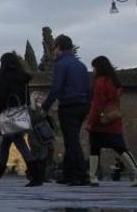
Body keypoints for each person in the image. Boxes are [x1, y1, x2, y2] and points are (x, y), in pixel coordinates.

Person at [0, 52, 42, 187]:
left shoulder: (4, 76)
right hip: (20, 114)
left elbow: (2, 94)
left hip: (9, 115)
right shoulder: (22, 77)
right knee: (5, 145)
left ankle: (37, 176)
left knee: (21, 145)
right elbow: (26, 97)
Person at [41, 35, 91, 186]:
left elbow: (56, 87)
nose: (54, 51)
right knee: (72, 139)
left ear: (58, 47)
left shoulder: (61, 64)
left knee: (72, 141)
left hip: (69, 105)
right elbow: (89, 89)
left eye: (54, 48)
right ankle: (68, 175)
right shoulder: (81, 65)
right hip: (82, 105)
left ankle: (82, 175)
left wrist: (45, 106)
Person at [86, 56, 137, 186]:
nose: (94, 70)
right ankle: (135, 172)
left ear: (99, 68)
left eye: (94, 67)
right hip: (113, 119)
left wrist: (90, 121)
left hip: (100, 121)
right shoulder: (114, 82)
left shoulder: (100, 82)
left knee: (94, 148)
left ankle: (92, 176)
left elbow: (97, 104)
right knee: (120, 148)